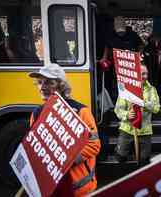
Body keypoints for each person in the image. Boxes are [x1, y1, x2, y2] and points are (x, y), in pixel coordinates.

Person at [28, 63, 101, 196]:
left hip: (80, 191)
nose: (42, 87)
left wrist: (64, 161)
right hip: (51, 191)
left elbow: (94, 145)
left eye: (49, 83)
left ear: (61, 85)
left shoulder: (80, 111)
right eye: (39, 82)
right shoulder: (36, 114)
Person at [114, 64, 160, 165]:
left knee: (144, 160)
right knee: (120, 157)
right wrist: (127, 115)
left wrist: (143, 103)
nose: (145, 76)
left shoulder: (152, 90)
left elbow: (156, 108)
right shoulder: (125, 89)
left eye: (146, 74)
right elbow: (118, 110)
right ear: (135, 75)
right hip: (127, 129)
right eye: (143, 74)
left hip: (145, 131)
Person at [99, 16, 144, 102]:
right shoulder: (110, 35)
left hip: (130, 64)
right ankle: (118, 101)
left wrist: (139, 56)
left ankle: (130, 100)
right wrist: (104, 58)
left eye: (122, 32)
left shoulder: (133, 34)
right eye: (118, 32)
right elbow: (107, 47)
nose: (120, 34)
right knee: (116, 83)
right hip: (115, 63)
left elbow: (141, 45)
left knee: (130, 83)